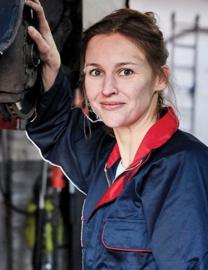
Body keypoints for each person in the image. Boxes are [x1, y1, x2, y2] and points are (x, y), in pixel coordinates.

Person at [25, 0, 208, 269]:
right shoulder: (106, 157)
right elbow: (56, 129)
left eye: (125, 71)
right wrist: (52, 64)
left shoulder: (181, 165)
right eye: (96, 72)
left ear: (160, 78)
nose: (107, 88)